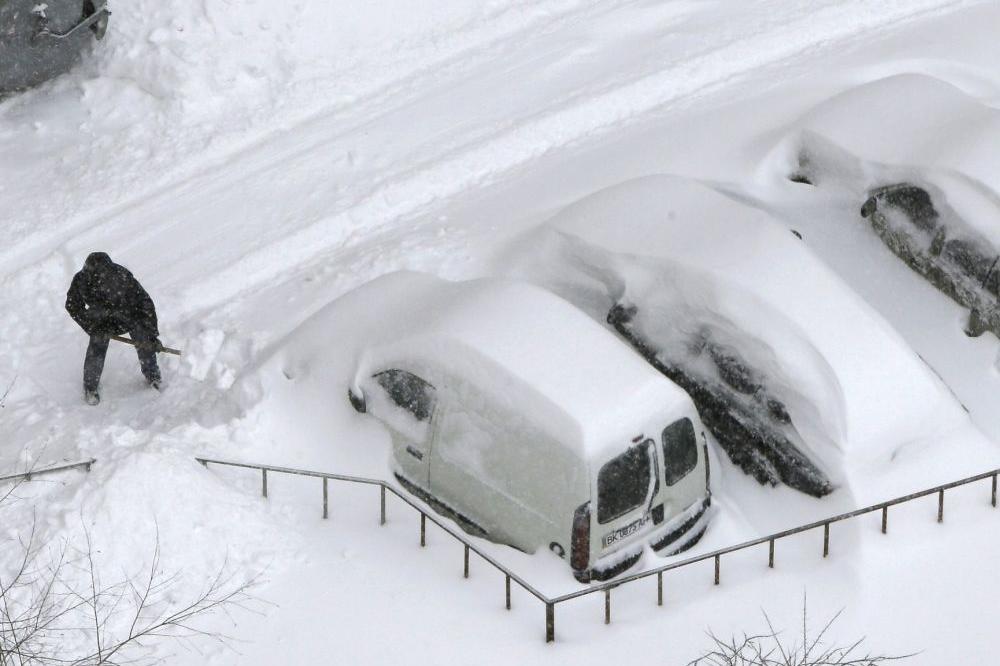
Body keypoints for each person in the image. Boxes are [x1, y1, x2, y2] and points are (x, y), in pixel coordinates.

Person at [65, 252, 162, 405]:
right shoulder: (81, 280)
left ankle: (153, 376)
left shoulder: (123, 278)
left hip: (128, 316)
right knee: (97, 344)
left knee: (144, 339)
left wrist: (152, 335)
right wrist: (89, 324)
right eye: (93, 275)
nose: (99, 279)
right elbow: (72, 305)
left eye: (103, 276)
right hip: (102, 321)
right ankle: (90, 387)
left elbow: (145, 303)